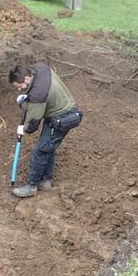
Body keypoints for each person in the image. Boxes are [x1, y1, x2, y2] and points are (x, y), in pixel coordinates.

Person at [9, 62, 83, 198]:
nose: (19, 90)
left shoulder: (38, 94)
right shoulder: (40, 68)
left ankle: (31, 186)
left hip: (62, 118)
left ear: (26, 78)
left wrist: (23, 128)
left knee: (41, 150)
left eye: (20, 87)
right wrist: (27, 100)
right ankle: (46, 181)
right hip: (61, 109)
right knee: (48, 147)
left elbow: (33, 125)